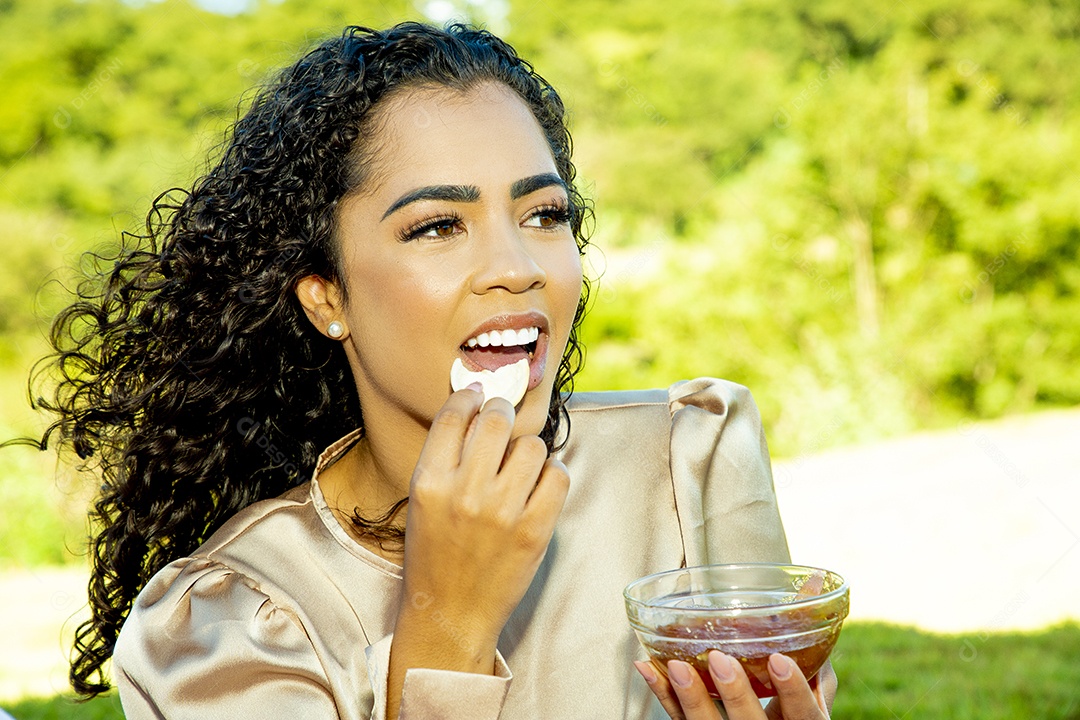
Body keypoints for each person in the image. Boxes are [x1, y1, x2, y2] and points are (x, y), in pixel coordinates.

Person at [31, 22, 835, 719]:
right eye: (438, 226)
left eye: (543, 215)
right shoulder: (229, 622)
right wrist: (447, 615)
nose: (516, 266)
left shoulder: (682, 464)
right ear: (327, 299)